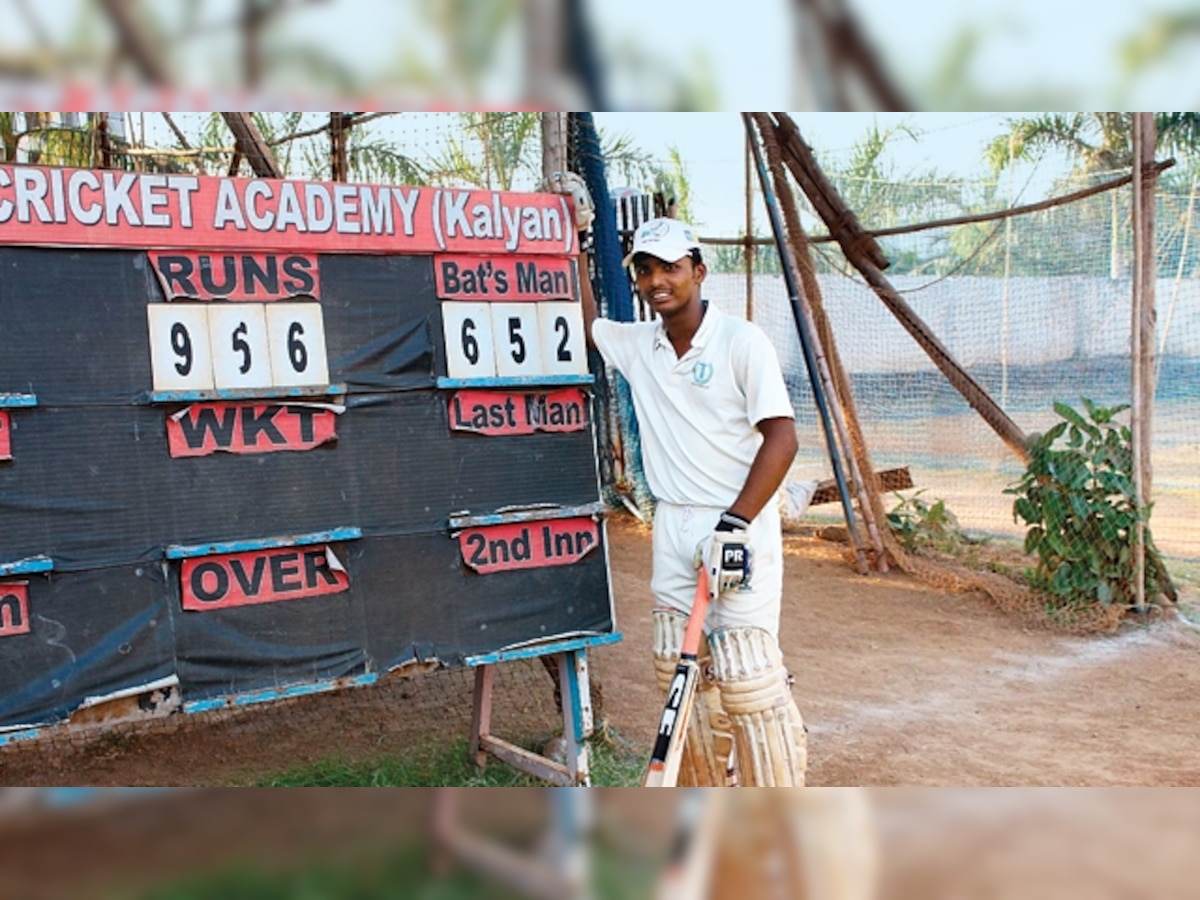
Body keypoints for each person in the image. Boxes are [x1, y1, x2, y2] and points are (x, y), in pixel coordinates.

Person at [579, 216, 807, 787]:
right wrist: (576, 236)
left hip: (736, 523)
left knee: (747, 675)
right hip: (673, 523)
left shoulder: (741, 341)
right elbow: (587, 324)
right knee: (676, 672)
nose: (658, 281)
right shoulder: (639, 344)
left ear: (698, 271)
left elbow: (783, 437)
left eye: (671, 268)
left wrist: (736, 522)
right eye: (646, 270)